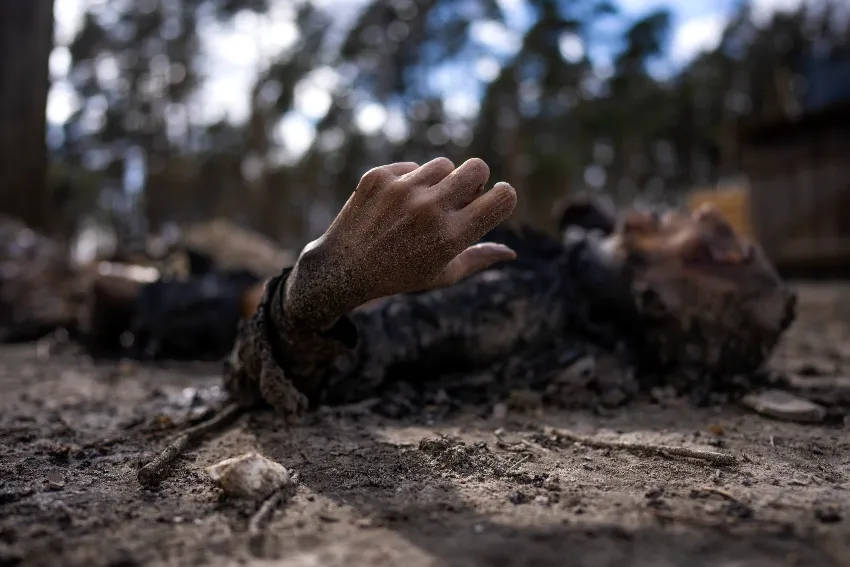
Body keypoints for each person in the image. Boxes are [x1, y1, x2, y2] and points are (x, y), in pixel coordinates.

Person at [223, 158, 796, 421]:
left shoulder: (519, 304)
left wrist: (316, 289)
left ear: (665, 297)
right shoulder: (579, 274)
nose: (696, 211)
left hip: (248, 304)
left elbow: (304, 371)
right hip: (277, 281)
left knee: (156, 296)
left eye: (712, 244)